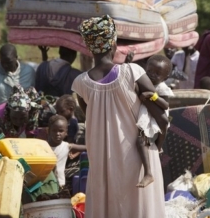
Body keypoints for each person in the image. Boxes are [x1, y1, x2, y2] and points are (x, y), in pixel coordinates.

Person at [72, 14, 166, 218]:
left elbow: (89, 113)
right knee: (141, 208)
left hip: (103, 160)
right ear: (113, 43)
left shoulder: (80, 83)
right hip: (138, 156)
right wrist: (159, 142)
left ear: (90, 48)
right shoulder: (133, 71)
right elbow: (158, 111)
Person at [136, 55, 174, 187]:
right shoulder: (144, 81)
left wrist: (152, 96)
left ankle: (148, 172)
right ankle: (149, 169)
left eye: (157, 73)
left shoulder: (162, 87)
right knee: (140, 140)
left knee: (141, 141)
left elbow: (165, 105)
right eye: (150, 71)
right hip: (147, 116)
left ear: (166, 77)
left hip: (154, 119)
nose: (152, 75)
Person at [47, 115, 86, 189]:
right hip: (46, 184)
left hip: (61, 184)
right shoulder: (43, 146)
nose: (57, 133)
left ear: (66, 133)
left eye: (61, 131)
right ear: (49, 131)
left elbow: (87, 148)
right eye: (54, 131)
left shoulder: (67, 146)